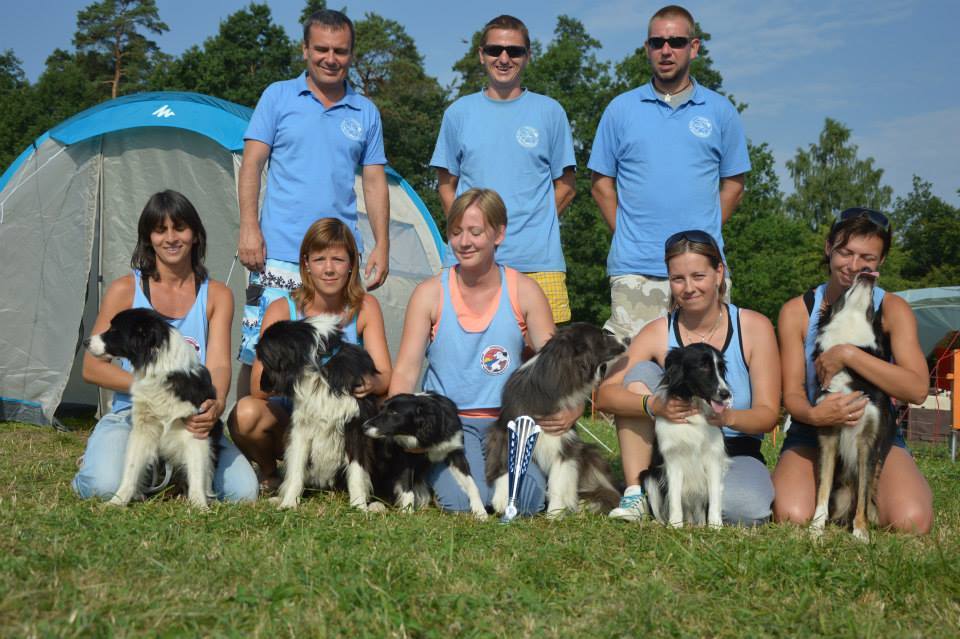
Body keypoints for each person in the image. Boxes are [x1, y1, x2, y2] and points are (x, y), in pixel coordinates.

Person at [389, 188, 581, 515]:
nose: (465, 242)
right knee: (463, 502)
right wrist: (399, 426)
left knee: (525, 502)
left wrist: (573, 407)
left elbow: (558, 364)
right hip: (449, 424)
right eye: (456, 232)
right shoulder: (429, 294)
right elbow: (406, 370)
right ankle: (440, 479)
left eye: (475, 232)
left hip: (509, 422)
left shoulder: (524, 290)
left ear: (499, 234)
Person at [236, 8, 390, 396]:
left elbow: (374, 181)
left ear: (351, 54)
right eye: (321, 48)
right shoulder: (277, 96)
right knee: (258, 355)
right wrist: (249, 227)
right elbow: (252, 164)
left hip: (338, 258)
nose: (330, 58)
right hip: (277, 252)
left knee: (335, 356)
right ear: (305, 49)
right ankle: (247, 446)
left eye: (340, 50)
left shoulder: (366, 112)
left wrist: (383, 244)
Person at [73, 190, 258, 503]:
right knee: (101, 487)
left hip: (187, 416)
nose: (171, 238)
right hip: (134, 414)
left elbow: (219, 365)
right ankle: (106, 461)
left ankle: (166, 475)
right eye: (160, 230)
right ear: (149, 239)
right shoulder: (124, 289)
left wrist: (216, 403)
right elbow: (92, 367)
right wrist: (154, 390)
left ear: (196, 235)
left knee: (244, 493)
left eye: (180, 228)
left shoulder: (217, 294)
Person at [588, 4, 750, 340]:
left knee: (706, 381)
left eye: (676, 41)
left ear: (694, 47)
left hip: (703, 270)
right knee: (632, 379)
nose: (666, 50)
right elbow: (601, 184)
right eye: (657, 42)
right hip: (635, 272)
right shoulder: (620, 109)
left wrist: (700, 235)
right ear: (647, 48)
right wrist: (628, 233)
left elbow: (734, 185)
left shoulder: (721, 111)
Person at [596, 230, 780, 524]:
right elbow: (605, 394)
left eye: (698, 276)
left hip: (734, 450)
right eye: (678, 279)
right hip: (676, 450)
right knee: (641, 371)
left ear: (719, 273)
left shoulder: (755, 326)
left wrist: (726, 418)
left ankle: (691, 502)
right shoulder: (657, 331)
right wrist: (653, 406)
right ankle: (636, 492)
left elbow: (768, 414)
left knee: (746, 510)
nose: (688, 288)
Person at [772, 209, 933, 534]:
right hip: (812, 431)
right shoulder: (797, 311)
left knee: (911, 521)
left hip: (872, 432)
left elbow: (917, 390)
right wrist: (816, 416)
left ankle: (861, 494)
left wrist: (846, 354)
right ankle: (827, 493)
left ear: (881, 260)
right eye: (845, 252)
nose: (854, 265)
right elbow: (791, 395)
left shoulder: (893, 309)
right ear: (828, 247)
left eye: (867, 257)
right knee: (792, 515)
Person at [229, 217, 392, 494]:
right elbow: (259, 386)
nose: (329, 269)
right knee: (246, 413)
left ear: (352, 263)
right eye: (319, 259)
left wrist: (371, 384)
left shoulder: (366, 307)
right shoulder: (283, 310)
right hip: (296, 417)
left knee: (388, 402)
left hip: (345, 420)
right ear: (305, 264)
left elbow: (386, 375)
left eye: (338, 260)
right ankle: (272, 473)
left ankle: (360, 476)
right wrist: (304, 376)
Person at [430, 15, 576, 324]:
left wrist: (533, 225)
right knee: (467, 358)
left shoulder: (550, 112)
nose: (504, 58)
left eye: (515, 51)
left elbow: (566, 185)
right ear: (481, 55)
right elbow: (446, 185)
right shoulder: (458, 113)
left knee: (545, 364)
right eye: (495, 50)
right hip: (469, 261)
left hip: (539, 262)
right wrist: (465, 232)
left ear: (528, 56)